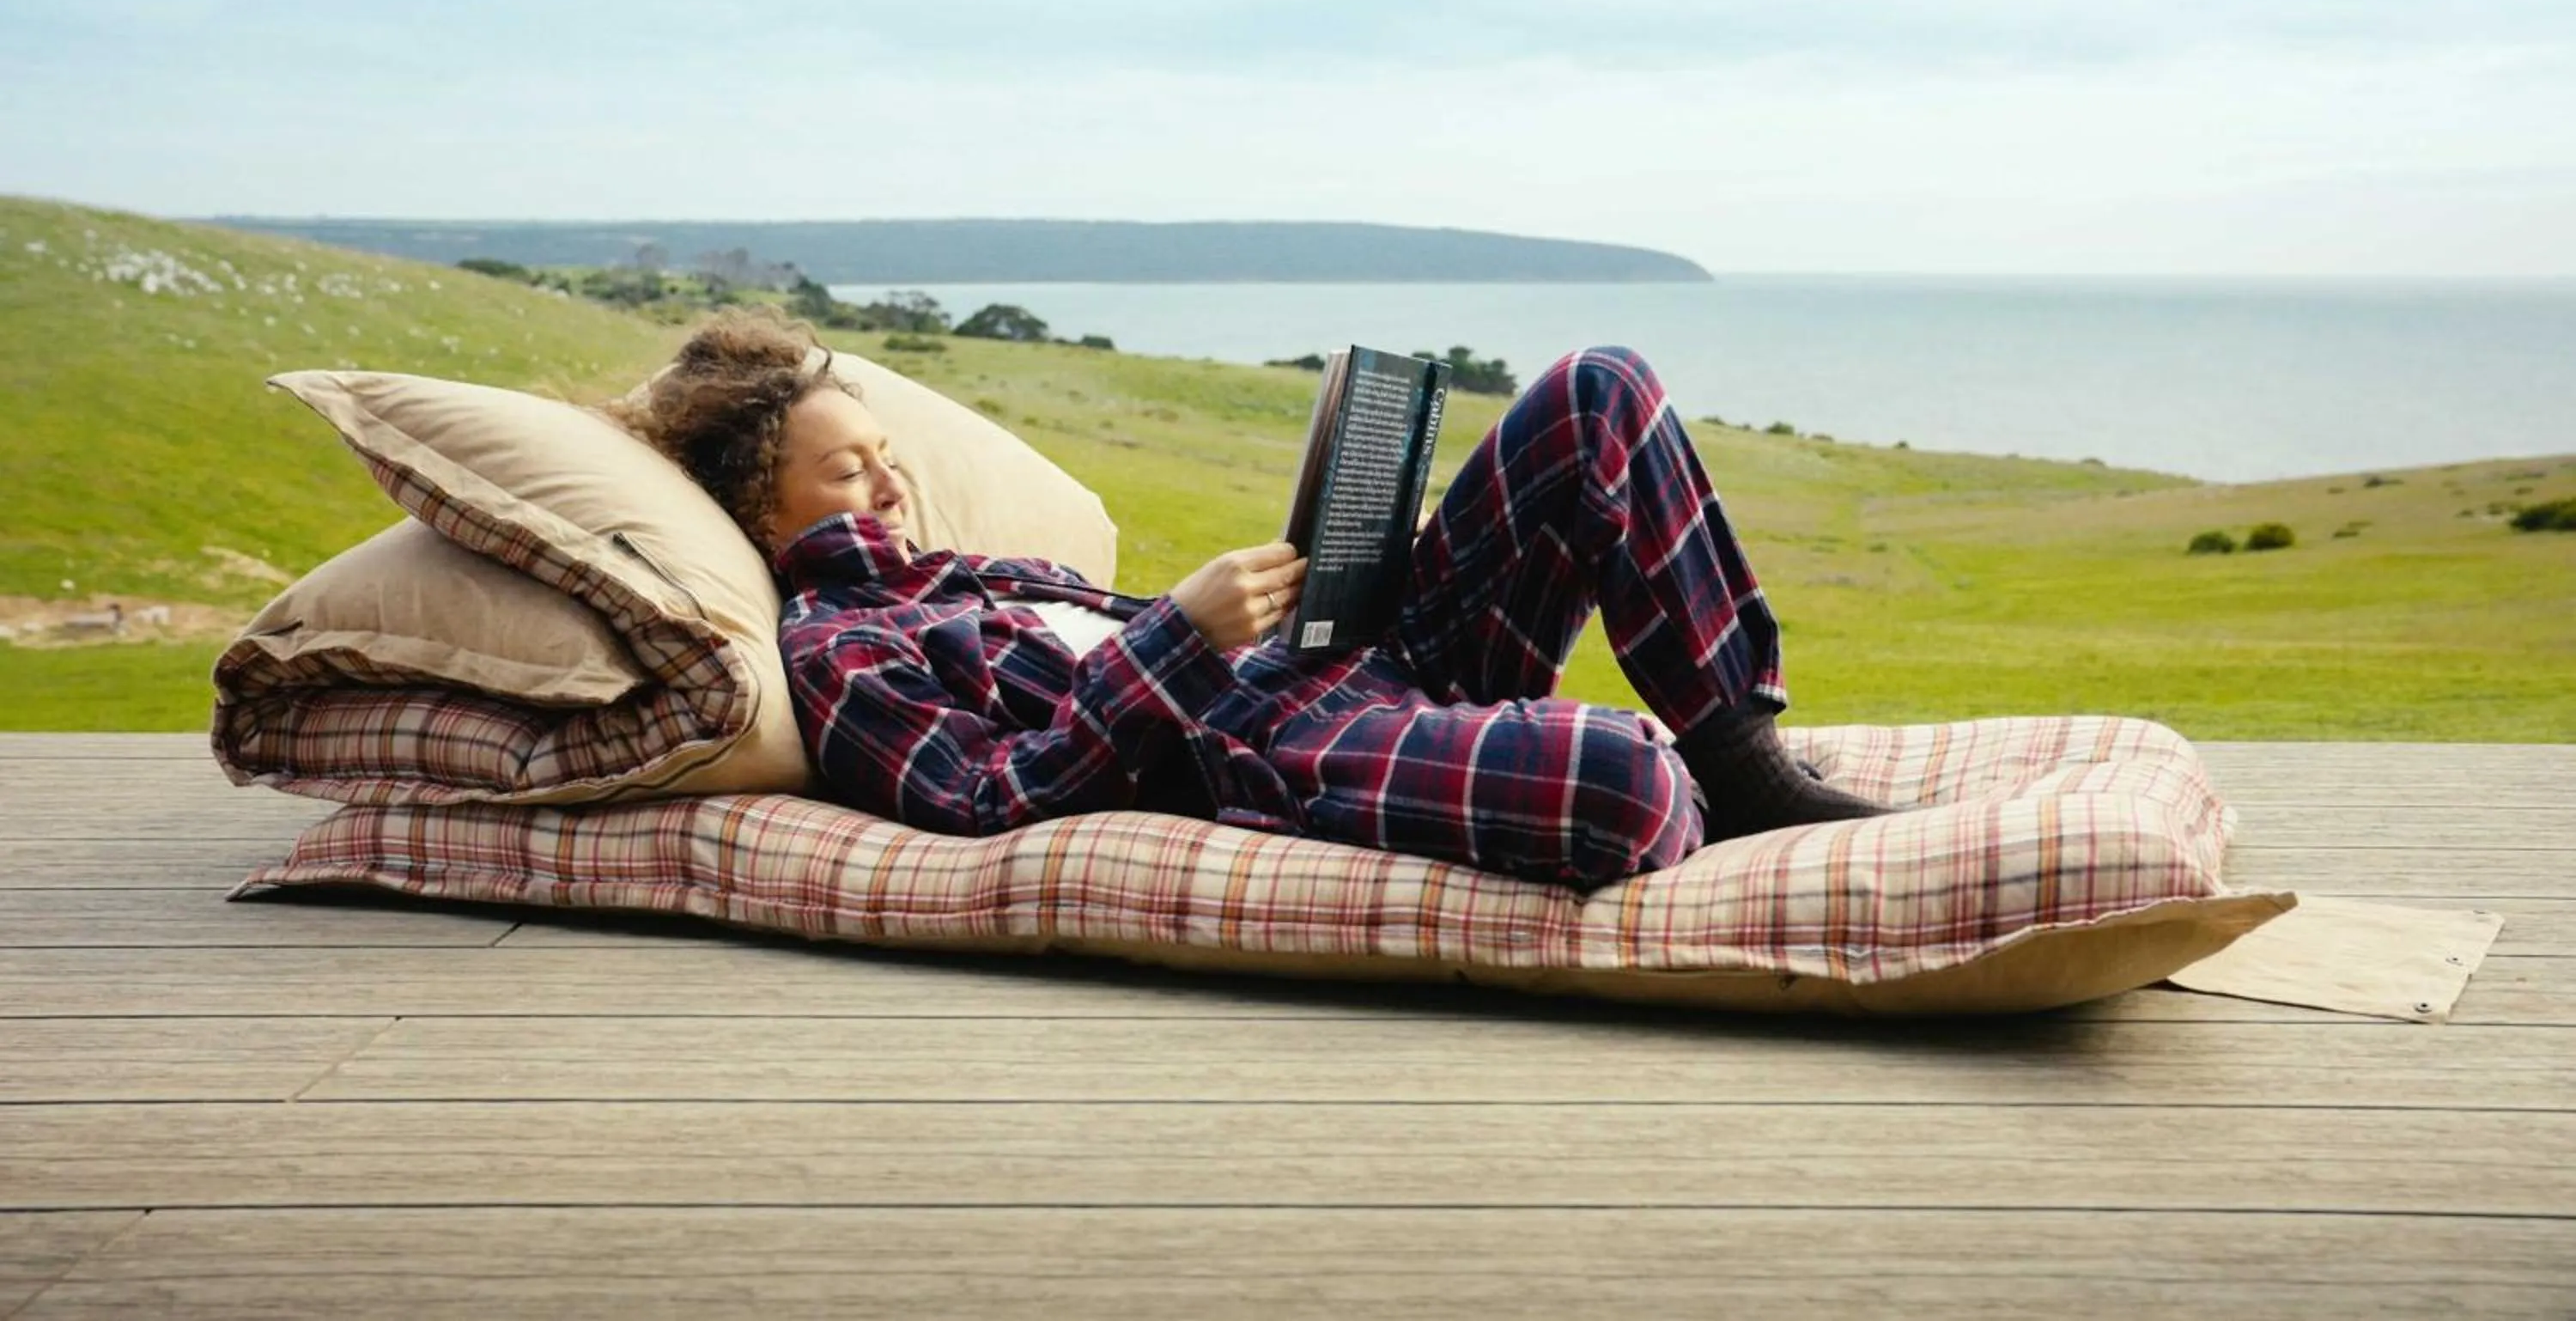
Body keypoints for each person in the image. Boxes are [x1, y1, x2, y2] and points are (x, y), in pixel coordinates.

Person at [622, 308, 1893, 893]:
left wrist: (1337, 574)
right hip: (1279, 744)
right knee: (1626, 786)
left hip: (1346, 658)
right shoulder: (845, 648)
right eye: (848, 472)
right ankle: (1681, 776)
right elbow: (984, 799)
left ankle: (1742, 758)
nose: (891, 484)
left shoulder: (977, 572)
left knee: (1597, 390)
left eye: (884, 455)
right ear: (762, 515)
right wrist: (1182, 633)